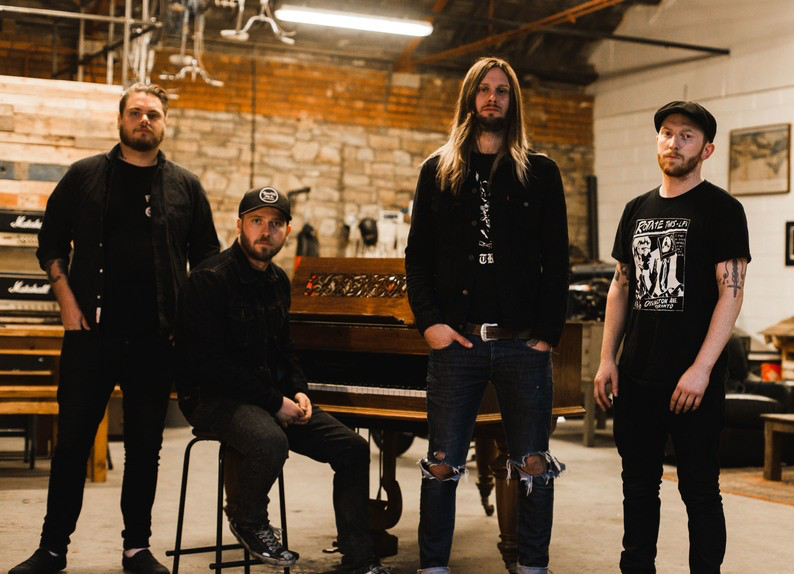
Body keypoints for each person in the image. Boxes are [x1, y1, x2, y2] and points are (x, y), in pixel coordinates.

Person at [10, 83, 219, 574]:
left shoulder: (186, 186)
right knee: (71, 445)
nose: (144, 120)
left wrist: (188, 323)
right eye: (136, 112)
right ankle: (52, 549)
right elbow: (50, 243)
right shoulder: (83, 175)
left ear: (165, 124)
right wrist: (66, 300)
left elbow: (207, 260)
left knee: (145, 449)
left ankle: (136, 549)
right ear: (120, 119)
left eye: (154, 114)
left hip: (155, 341)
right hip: (90, 337)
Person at [404, 56, 569, 574]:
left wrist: (546, 334)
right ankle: (433, 567)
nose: (492, 97)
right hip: (458, 343)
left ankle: (533, 566)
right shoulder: (437, 171)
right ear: (469, 98)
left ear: (512, 101)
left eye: (501, 90)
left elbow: (557, 260)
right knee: (441, 466)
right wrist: (430, 323)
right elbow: (417, 257)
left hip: (523, 345)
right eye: (483, 88)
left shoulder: (540, 172)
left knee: (534, 465)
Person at [174, 187, 392, 574]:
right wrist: (275, 403)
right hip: (210, 398)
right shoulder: (209, 279)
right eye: (256, 221)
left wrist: (299, 391)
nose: (266, 231)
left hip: (264, 397)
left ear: (287, 232)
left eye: (275, 224)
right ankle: (249, 520)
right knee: (270, 440)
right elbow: (209, 366)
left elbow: (284, 350)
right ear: (239, 225)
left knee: (353, 449)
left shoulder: (277, 280)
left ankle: (359, 560)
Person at [594, 101, 750, 574]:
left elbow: (731, 293)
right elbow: (621, 286)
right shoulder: (635, 210)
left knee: (699, 489)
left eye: (686, 135)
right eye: (666, 132)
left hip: (693, 381)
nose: (674, 142)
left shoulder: (723, 210)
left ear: (707, 149)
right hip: (637, 375)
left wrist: (701, 369)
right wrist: (607, 358)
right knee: (638, 486)